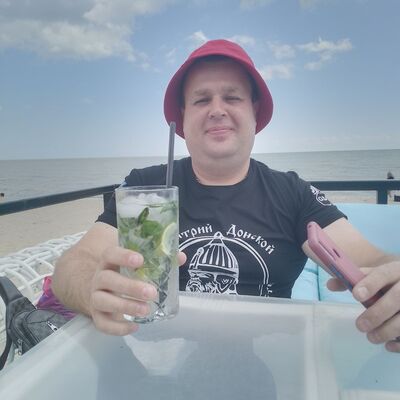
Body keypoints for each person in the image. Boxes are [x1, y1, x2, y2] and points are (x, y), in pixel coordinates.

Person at [52, 39, 400, 352]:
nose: (217, 109)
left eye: (232, 97)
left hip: (265, 364)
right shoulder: (145, 189)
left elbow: (370, 259)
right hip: (153, 359)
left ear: (254, 112)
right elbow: (75, 264)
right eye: (201, 99)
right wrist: (91, 290)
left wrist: (392, 280)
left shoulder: (292, 193)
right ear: (183, 118)